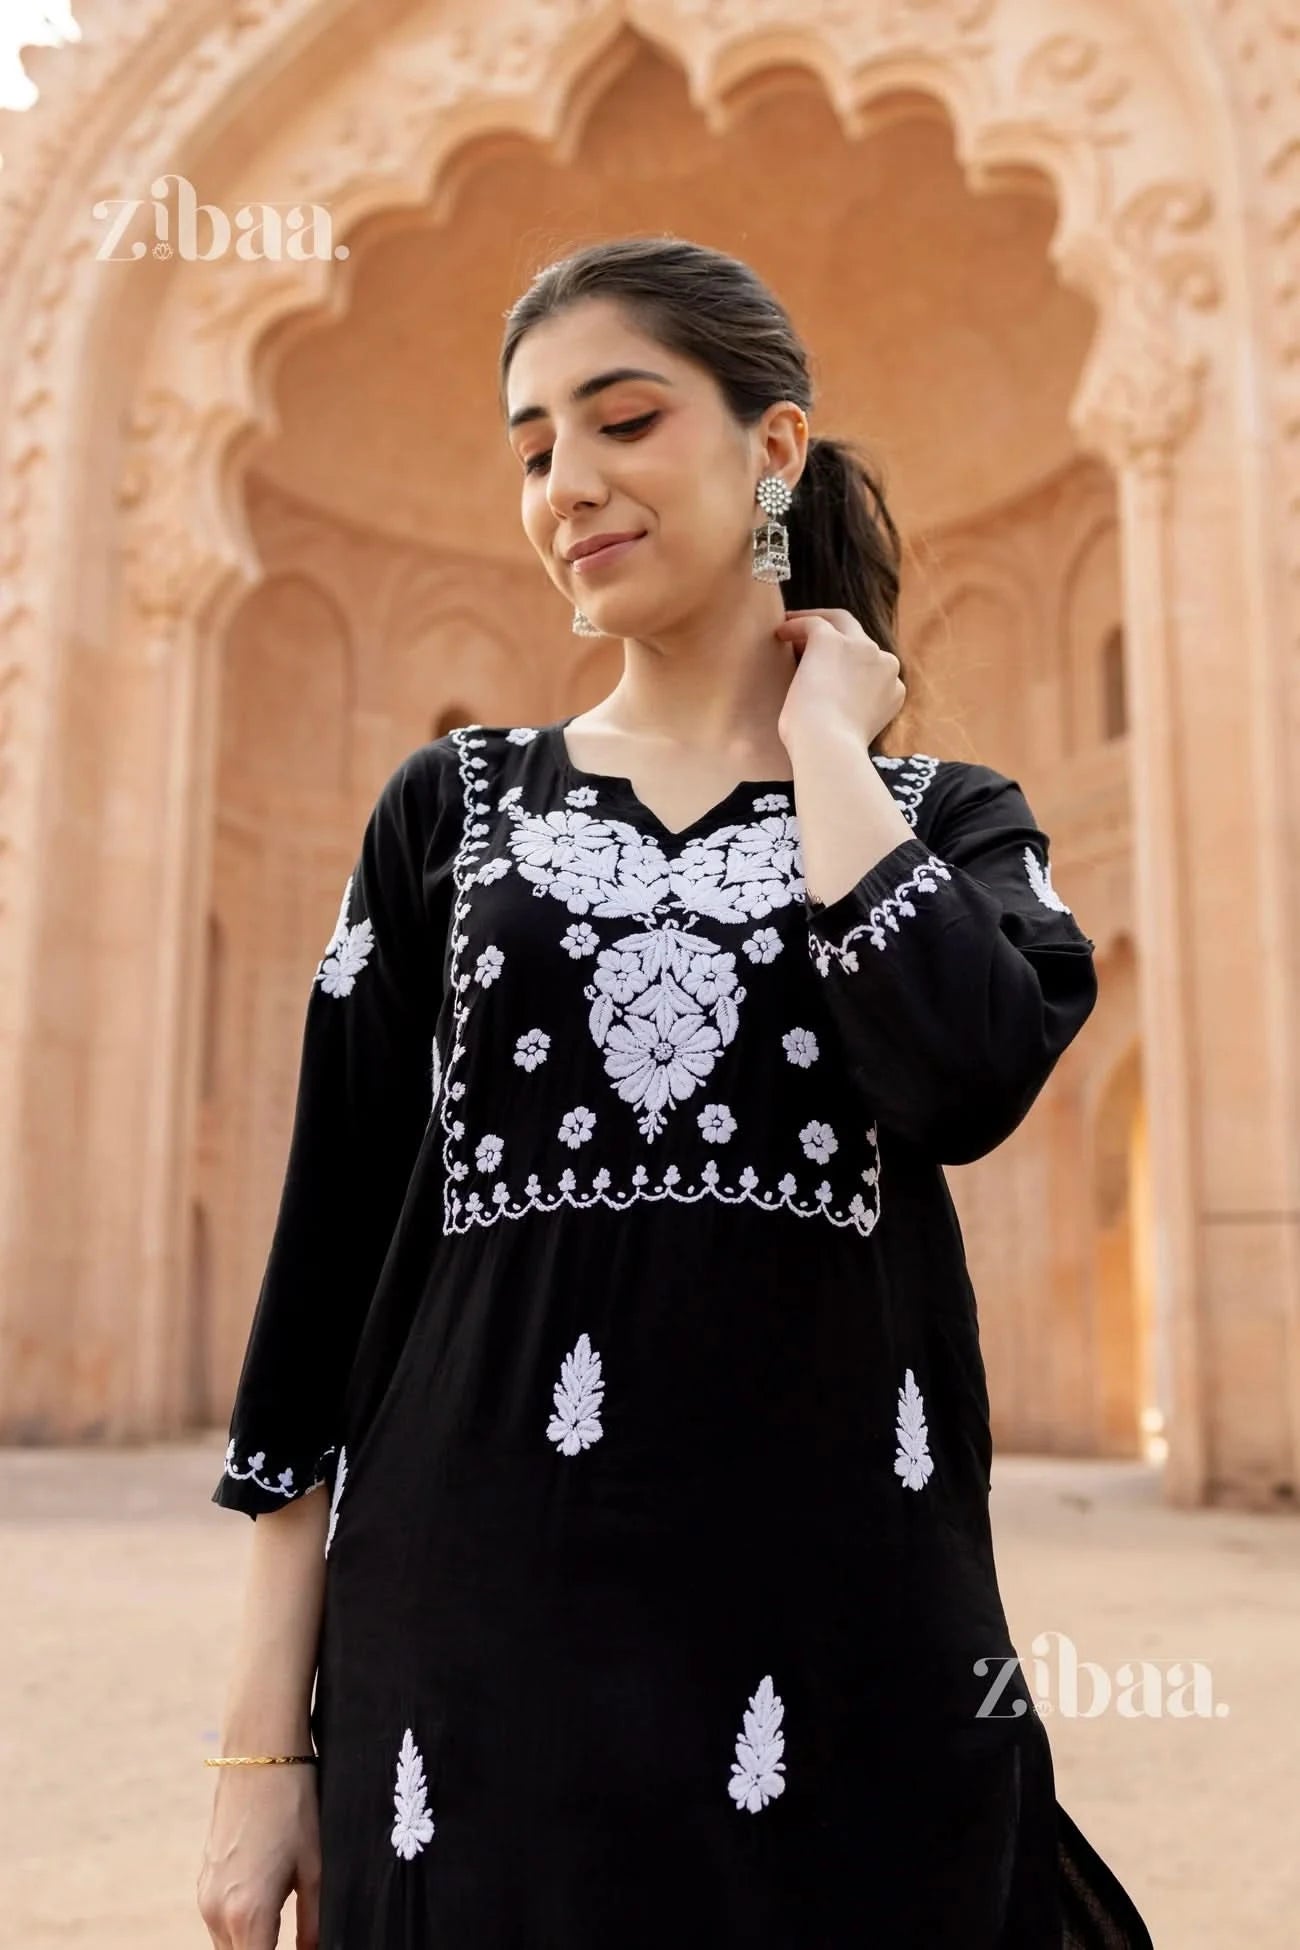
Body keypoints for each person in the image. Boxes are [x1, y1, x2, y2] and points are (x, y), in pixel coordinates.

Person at [198, 236, 1154, 1949]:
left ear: (772, 448)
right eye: (534, 449)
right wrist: (262, 1742)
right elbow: (328, 1264)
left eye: (623, 421)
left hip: (847, 1627)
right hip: (470, 1653)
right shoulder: (451, 808)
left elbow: (968, 1073)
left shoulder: (945, 816)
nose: (571, 484)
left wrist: (836, 756)